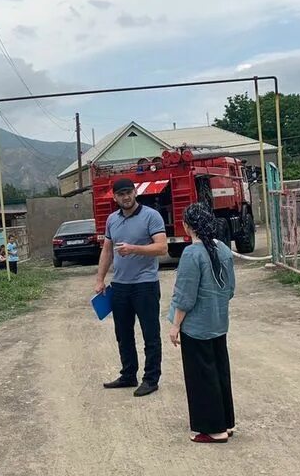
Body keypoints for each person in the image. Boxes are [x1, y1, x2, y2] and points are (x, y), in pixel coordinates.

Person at [168, 203, 237, 444]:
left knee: (201, 377)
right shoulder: (224, 250)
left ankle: (212, 428)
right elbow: (230, 290)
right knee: (219, 372)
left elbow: (185, 295)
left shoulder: (192, 254)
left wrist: (175, 325)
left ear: (187, 226)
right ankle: (226, 422)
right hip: (218, 321)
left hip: (196, 326)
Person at [94, 177, 169, 398]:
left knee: (150, 334)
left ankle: (151, 379)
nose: (126, 197)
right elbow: (107, 251)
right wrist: (100, 279)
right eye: (121, 194)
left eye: (129, 192)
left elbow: (162, 247)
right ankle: (128, 374)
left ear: (135, 193)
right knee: (123, 334)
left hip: (145, 284)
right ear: (114, 197)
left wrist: (134, 248)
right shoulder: (111, 220)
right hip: (120, 286)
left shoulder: (151, 216)